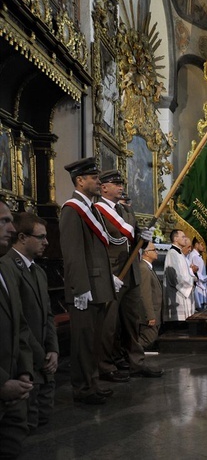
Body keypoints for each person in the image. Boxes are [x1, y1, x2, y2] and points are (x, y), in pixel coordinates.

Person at [59, 157, 117, 405]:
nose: (98, 181)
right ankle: (82, 388)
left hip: (98, 286)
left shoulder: (90, 208)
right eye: (94, 178)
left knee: (93, 340)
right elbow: (73, 253)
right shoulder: (72, 210)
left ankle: (92, 383)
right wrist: (80, 288)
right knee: (83, 342)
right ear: (80, 181)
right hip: (86, 289)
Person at [95, 170, 161, 380]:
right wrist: (106, 274)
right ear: (104, 187)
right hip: (113, 273)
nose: (120, 186)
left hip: (131, 272)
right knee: (109, 323)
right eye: (115, 183)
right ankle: (106, 365)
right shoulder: (97, 211)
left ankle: (136, 362)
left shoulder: (125, 212)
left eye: (121, 183)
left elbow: (134, 237)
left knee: (131, 321)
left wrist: (144, 236)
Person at [0, 213, 57, 431]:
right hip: (26, 364)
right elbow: (19, 320)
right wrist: (40, 353)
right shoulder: (8, 268)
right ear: (22, 237)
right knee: (27, 428)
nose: (47, 242)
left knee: (42, 423)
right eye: (41, 237)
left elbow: (48, 315)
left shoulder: (39, 271)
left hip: (44, 361)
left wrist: (53, 349)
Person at [0, 199, 34, 457]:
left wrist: (24, 371)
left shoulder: (7, 270)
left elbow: (21, 324)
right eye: (4, 221)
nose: (12, 229)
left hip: (15, 391)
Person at [164, 229, 195, 322]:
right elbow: (175, 277)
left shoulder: (180, 253)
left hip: (183, 294)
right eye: (183, 237)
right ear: (175, 239)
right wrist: (191, 282)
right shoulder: (172, 253)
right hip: (178, 296)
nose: (185, 239)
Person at [138, 244, 162, 350]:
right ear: (146, 252)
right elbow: (145, 294)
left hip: (155, 312)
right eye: (154, 250)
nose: (157, 252)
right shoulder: (143, 268)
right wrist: (150, 315)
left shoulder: (148, 268)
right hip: (149, 314)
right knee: (147, 338)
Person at [188, 238, 207, 310]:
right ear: (196, 245)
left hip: (201, 285)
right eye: (202, 244)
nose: (204, 247)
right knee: (199, 309)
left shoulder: (197, 256)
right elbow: (195, 273)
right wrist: (206, 277)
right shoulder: (194, 256)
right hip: (199, 286)